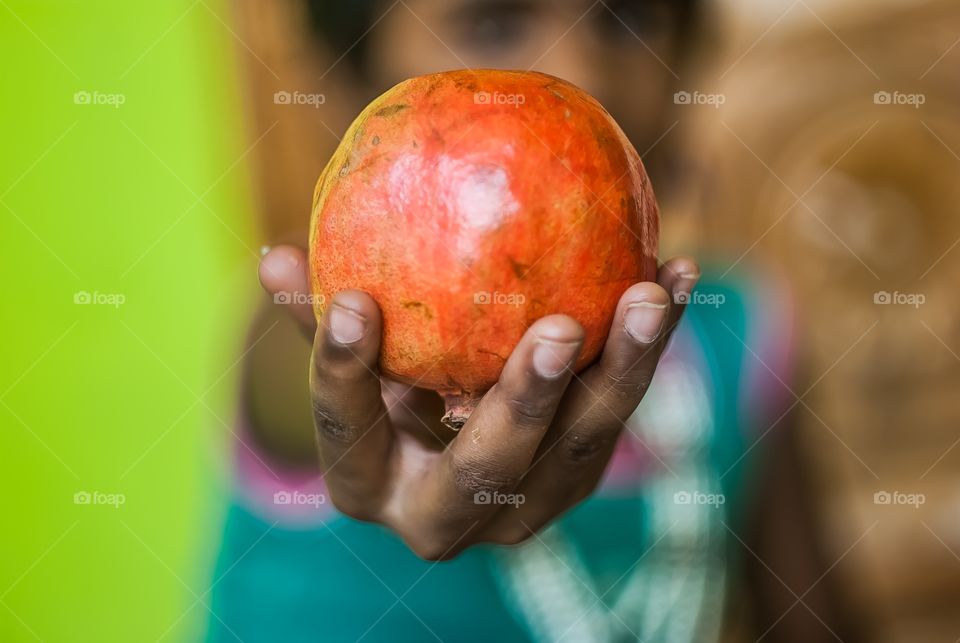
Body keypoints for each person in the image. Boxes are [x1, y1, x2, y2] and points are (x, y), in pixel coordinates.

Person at [209, 1, 862, 640]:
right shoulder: (293, 317)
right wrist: (411, 395)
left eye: (626, 19)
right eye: (493, 24)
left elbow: (813, 617)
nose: (586, 70)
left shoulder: (742, 332)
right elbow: (310, 365)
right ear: (342, 84)